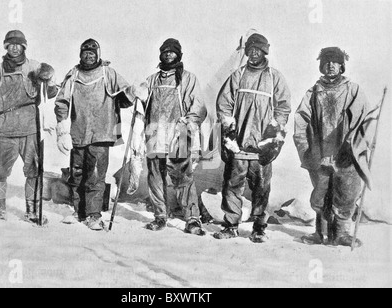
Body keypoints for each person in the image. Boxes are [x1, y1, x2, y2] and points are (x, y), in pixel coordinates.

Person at [214, 33, 291, 243]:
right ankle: (231, 225)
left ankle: (259, 228)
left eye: (258, 49)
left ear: (265, 51)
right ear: (247, 52)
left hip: (261, 145)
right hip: (238, 144)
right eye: (251, 49)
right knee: (232, 185)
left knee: (261, 188)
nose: (254, 53)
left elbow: (283, 108)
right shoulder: (237, 76)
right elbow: (224, 104)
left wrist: (274, 132)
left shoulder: (275, 77)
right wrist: (229, 129)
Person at [55, 38, 136, 231]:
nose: (88, 56)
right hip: (78, 132)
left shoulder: (108, 73)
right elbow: (62, 102)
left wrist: (133, 92)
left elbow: (124, 99)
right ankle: (79, 211)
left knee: (96, 175)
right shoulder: (73, 75)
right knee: (77, 174)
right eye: (85, 53)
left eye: (92, 53)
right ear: (80, 55)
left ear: (98, 55)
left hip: (102, 132)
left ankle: (94, 215)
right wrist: (63, 128)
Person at [294, 47, 371, 247]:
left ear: (341, 66)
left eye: (335, 61)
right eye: (327, 61)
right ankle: (320, 233)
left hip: (345, 153)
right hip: (320, 153)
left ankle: (342, 234)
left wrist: (353, 146)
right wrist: (305, 148)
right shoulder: (313, 92)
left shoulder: (353, 90)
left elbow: (364, 120)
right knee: (321, 192)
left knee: (346, 192)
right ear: (321, 65)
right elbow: (301, 120)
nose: (330, 65)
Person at [0, 30, 57, 223]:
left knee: (33, 171)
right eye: (10, 44)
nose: (14, 48)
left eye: (18, 44)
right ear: (6, 47)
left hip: (29, 129)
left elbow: (51, 91)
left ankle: (32, 210)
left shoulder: (34, 67)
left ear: (24, 46)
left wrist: (49, 77)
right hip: (3, 130)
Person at [140, 38, 207, 235]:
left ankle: (192, 219)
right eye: (165, 51)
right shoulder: (152, 79)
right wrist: (137, 94)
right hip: (154, 134)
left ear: (179, 54)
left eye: (172, 51)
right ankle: (160, 216)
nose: (169, 54)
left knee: (183, 178)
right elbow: (141, 103)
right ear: (160, 54)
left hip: (178, 134)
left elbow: (198, 105)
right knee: (155, 177)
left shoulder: (187, 78)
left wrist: (190, 123)